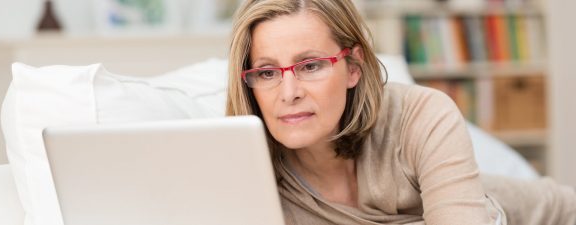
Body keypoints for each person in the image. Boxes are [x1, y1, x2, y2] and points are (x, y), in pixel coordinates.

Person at [225, 0, 576, 224]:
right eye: (267, 72)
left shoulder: (421, 115)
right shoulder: (252, 177)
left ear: (353, 67)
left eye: (311, 65)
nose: (289, 93)